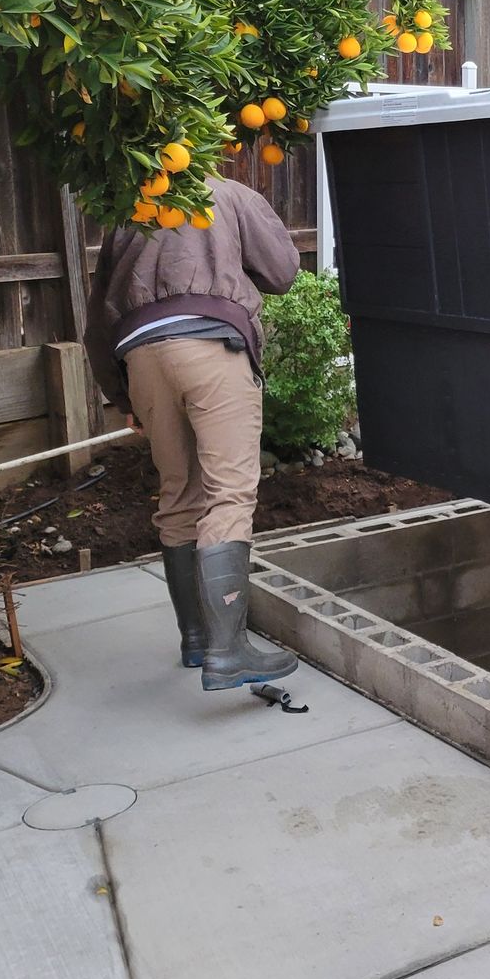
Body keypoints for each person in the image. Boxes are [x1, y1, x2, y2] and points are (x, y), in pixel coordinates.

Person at [84, 174, 302, 691]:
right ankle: (229, 652)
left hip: (141, 356)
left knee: (179, 495)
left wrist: (123, 397)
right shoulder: (226, 192)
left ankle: (198, 639)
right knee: (229, 494)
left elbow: (96, 320)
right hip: (210, 345)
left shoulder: (127, 204)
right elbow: (283, 272)